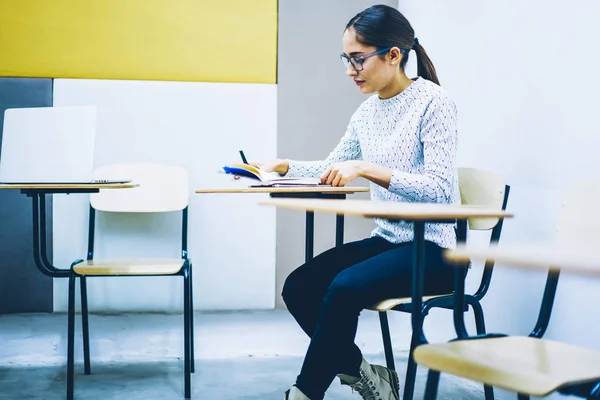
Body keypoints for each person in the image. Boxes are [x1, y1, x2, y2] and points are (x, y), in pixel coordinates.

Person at [251, 4, 460, 400]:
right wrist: (282, 166)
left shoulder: (435, 103)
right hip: (389, 242)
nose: (350, 70)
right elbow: (333, 167)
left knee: (344, 288)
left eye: (358, 59)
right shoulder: (367, 112)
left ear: (393, 55)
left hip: (434, 249)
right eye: (346, 59)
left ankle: (304, 392)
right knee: (299, 286)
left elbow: (438, 189)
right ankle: (363, 372)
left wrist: (366, 168)